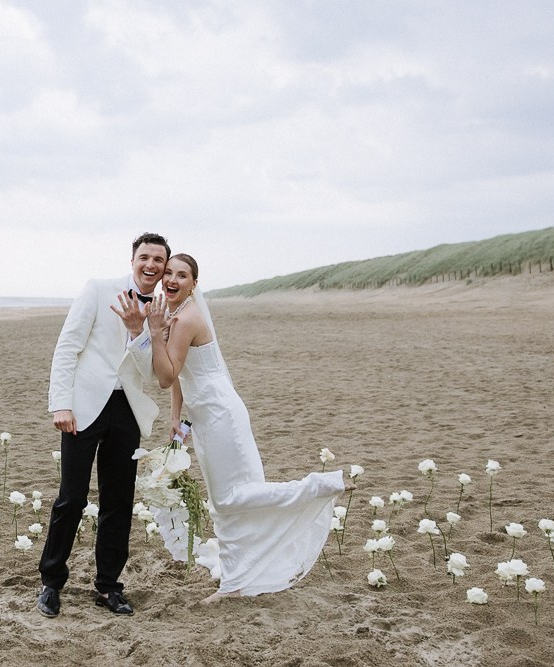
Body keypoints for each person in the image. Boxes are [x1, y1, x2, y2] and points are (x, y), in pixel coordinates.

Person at [143, 254, 353, 602]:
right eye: (168, 273)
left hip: (220, 414)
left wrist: (154, 334)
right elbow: (179, 376)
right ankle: (235, 583)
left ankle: (319, 485)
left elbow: (166, 376)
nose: (172, 279)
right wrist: (176, 419)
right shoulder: (176, 315)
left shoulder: (185, 319)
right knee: (221, 503)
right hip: (204, 415)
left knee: (231, 497)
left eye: (182, 275)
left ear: (194, 284)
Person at [36, 233, 170, 618]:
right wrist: (61, 404)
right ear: (133, 261)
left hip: (127, 409)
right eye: (145, 257)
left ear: (164, 268)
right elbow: (67, 347)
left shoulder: (162, 310)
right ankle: (51, 582)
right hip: (83, 407)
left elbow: (151, 371)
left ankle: (109, 586)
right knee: (72, 498)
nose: (150, 265)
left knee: (119, 501)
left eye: (158, 260)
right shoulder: (97, 289)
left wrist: (139, 331)